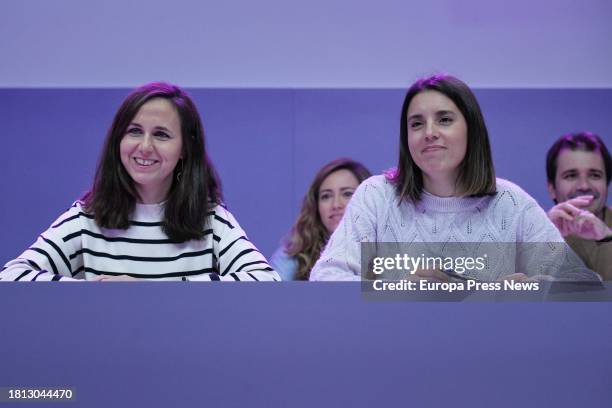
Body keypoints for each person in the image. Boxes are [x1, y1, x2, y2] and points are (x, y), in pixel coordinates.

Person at [310, 74, 599, 282]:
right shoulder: (377, 195)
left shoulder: (511, 203)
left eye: (444, 119)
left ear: (471, 129)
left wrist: (532, 290)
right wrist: (397, 290)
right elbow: (326, 276)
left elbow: (584, 285)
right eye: (416, 123)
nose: (429, 132)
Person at [1, 82, 279, 282]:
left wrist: (149, 293)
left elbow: (266, 280)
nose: (144, 147)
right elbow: (12, 276)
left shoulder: (212, 219)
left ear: (184, 150)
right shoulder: (86, 218)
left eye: (161, 135)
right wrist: (88, 292)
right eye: (134, 131)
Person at [270, 158, 372, 280]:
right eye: (326, 196)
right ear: (316, 206)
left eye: (347, 194)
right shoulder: (293, 256)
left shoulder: (389, 251)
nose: (336, 205)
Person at [546, 132, 611, 280]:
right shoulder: (530, 235)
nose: (583, 186)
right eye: (571, 175)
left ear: (607, 184)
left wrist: (606, 237)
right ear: (552, 189)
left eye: (595, 175)